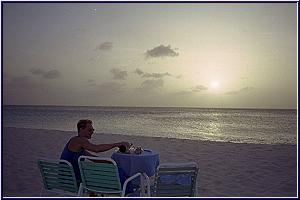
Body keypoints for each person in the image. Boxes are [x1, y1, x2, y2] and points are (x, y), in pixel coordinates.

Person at [60, 119, 130, 185]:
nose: (92, 132)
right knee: (120, 174)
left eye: (93, 130)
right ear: (81, 129)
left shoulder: (76, 143)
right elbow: (96, 149)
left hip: (66, 178)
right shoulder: (79, 140)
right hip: (74, 180)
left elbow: (92, 158)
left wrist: (108, 162)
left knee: (116, 172)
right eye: (89, 130)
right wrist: (117, 144)